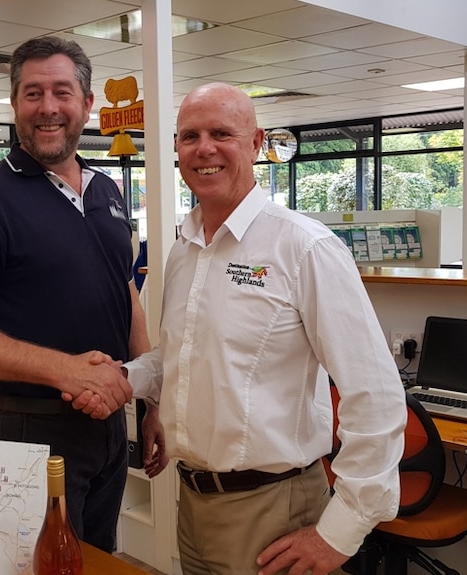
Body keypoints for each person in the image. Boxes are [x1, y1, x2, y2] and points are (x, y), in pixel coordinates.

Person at [95, 82, 407, 574]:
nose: (204, 149)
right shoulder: (183, 249)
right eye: (189, 136)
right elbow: (182, 358)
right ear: (176, 148)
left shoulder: (304, 248)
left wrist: (341, 531)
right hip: (192, 501)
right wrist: (123, 378)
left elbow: (378, 394)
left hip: (273, 509)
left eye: (222, 133)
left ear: (257, 143)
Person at [0, 35, 165, 554]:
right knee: (38, 564)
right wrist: (68, 370)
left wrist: (150, 402)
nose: (48, 108)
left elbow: (126, 296)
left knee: (98, 556)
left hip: (105, 427)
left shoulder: (107, 190)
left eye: (62, 92)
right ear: (14, 105)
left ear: (87, 104)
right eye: (33, 94)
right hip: (28, 430)